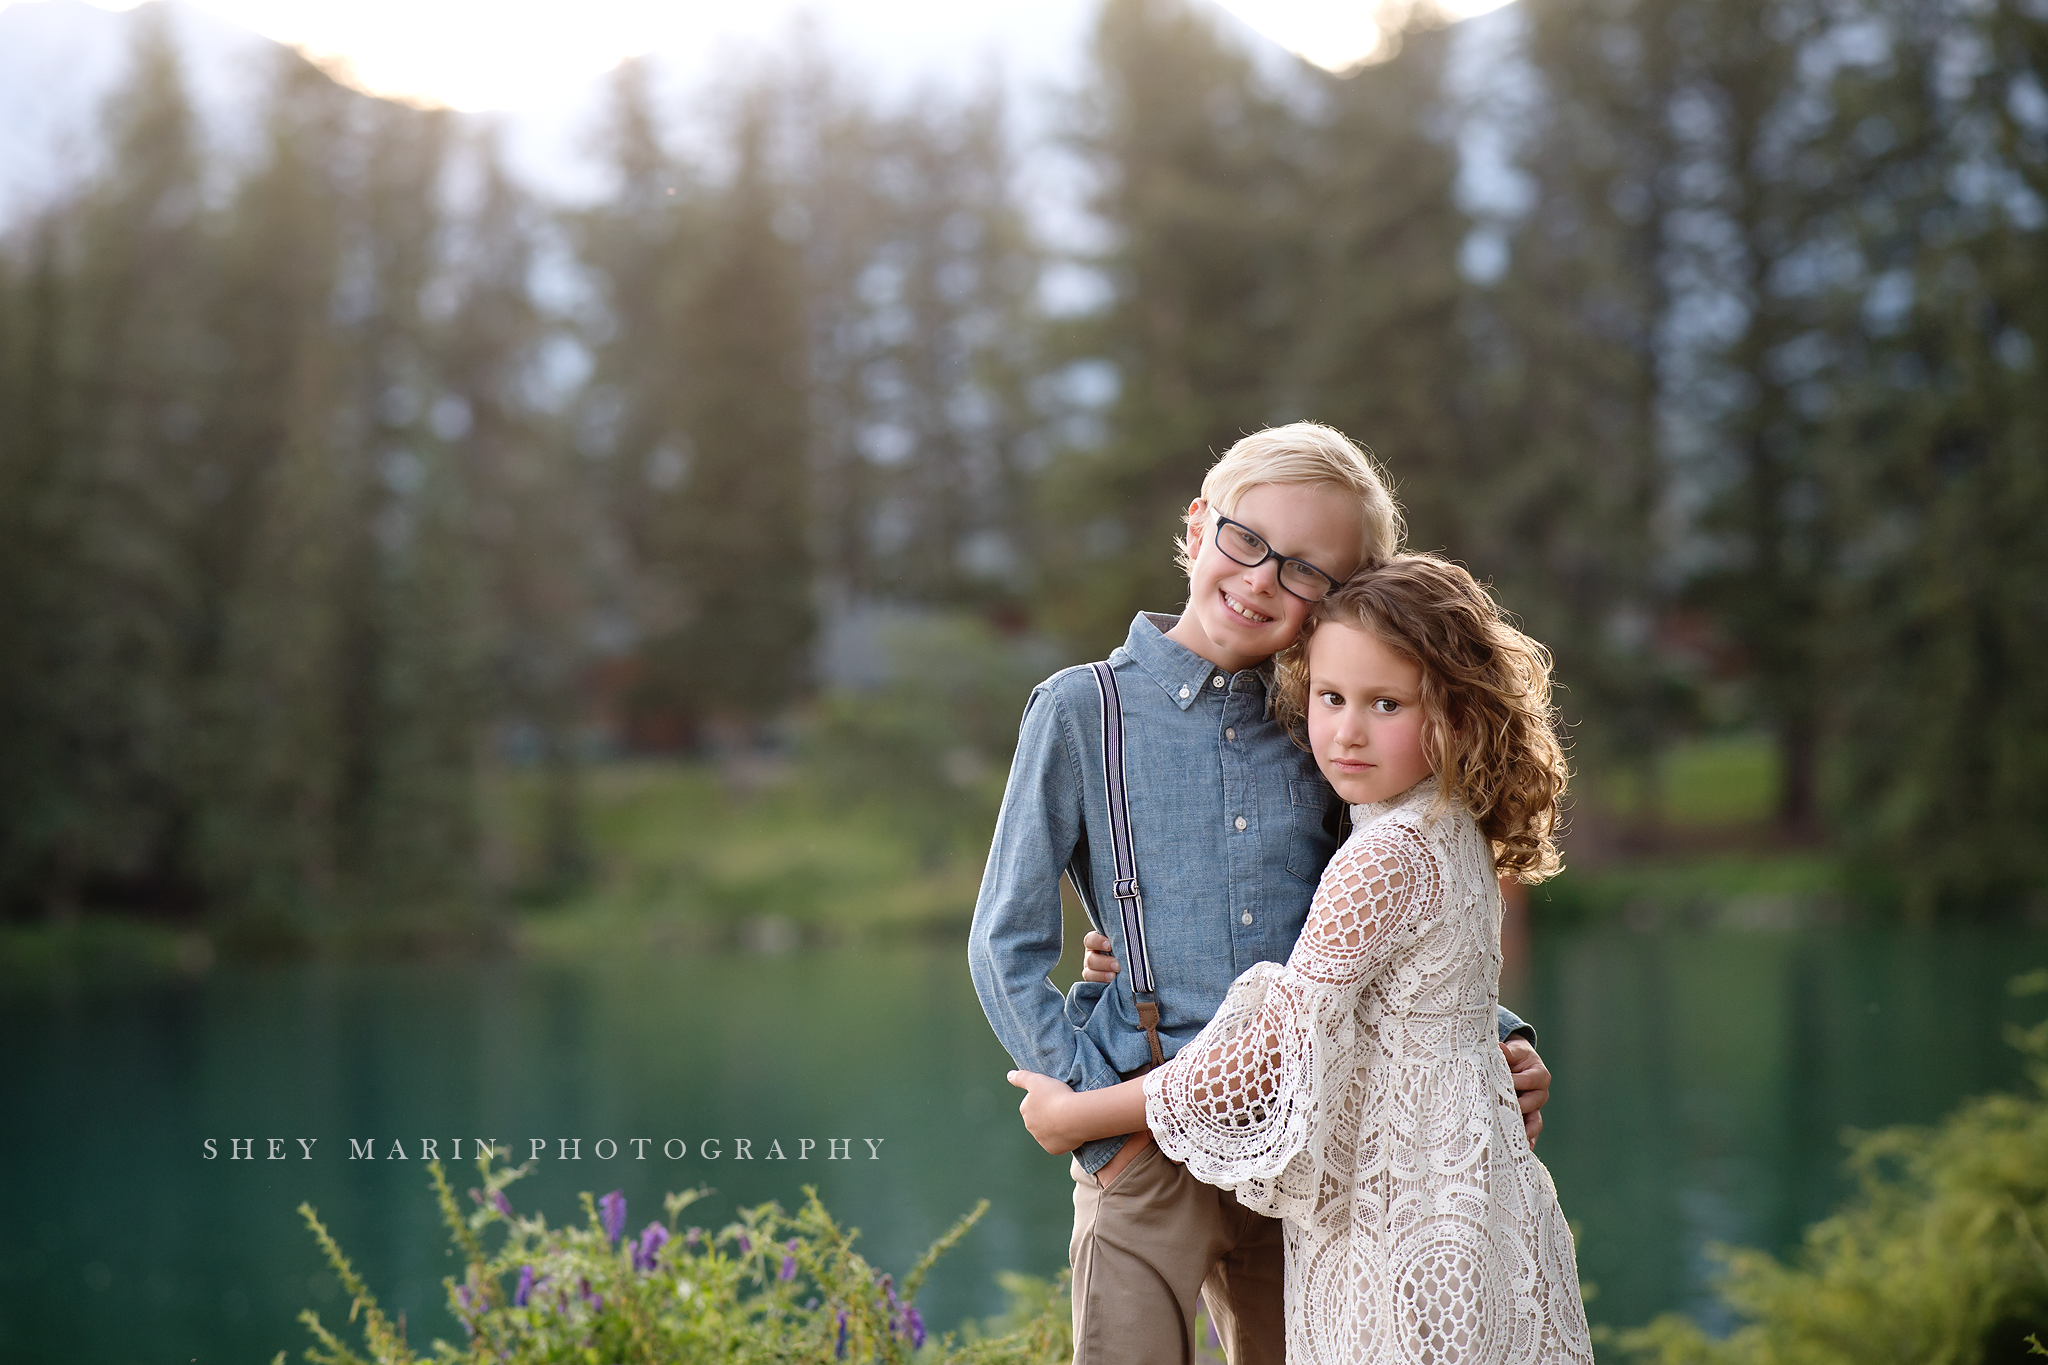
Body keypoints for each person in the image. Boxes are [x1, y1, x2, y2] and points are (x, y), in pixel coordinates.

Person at [966, 423, 1555, 1365]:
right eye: (1246, 540)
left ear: (1343, 597)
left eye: (1306, 572)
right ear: (1198, 526)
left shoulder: (1325, 721)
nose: (1261, 580)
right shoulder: (1083, 711)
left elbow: (1386, 923)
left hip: (1309, 1137)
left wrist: (1497, 1032)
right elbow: (1006, 940)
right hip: (1139, 1125)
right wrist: (1088, 1115)